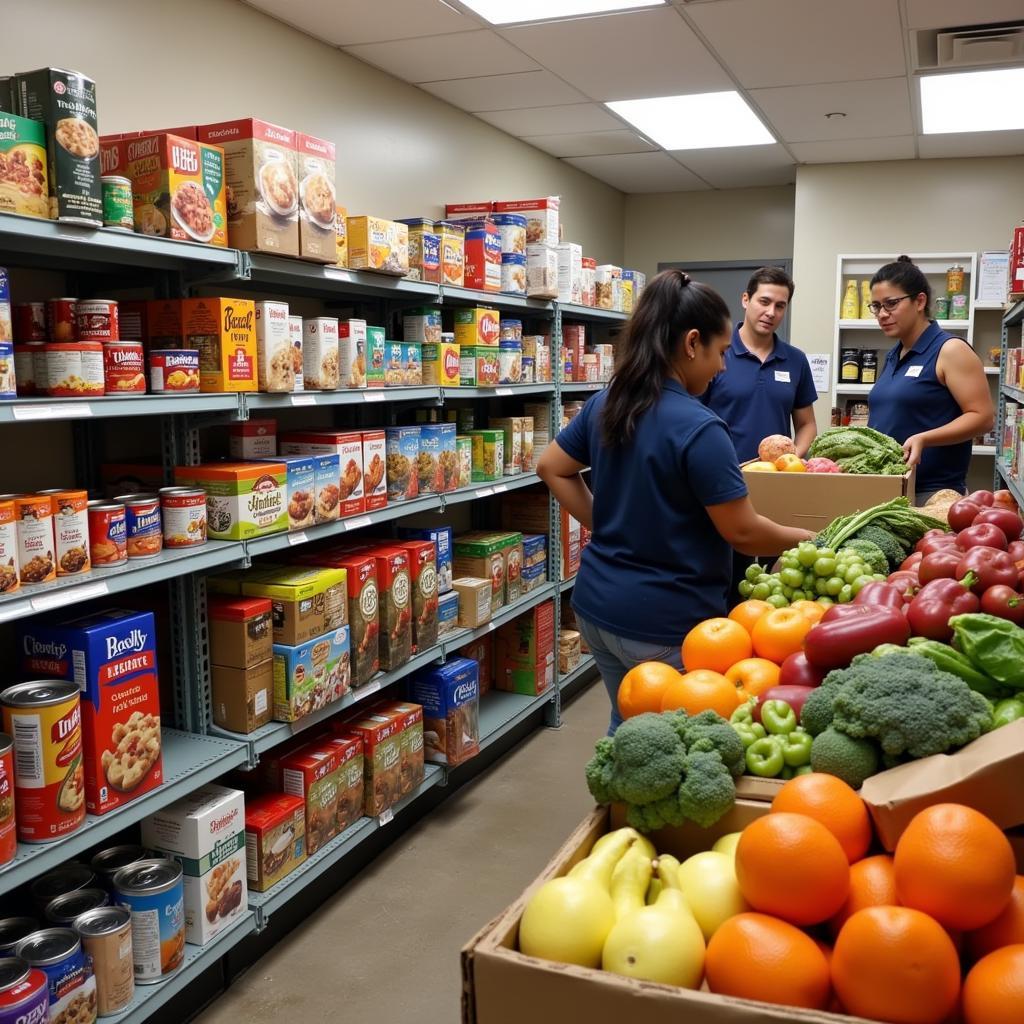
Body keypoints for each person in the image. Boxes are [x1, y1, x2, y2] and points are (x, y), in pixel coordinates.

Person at [536, 270, 815, 734]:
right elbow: (742, 532)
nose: (723, 367)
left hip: (597, 608)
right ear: (691, 343)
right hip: (663, 624)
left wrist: (605, 523)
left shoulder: (607, 402)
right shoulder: (701, 428)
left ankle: (615, 802)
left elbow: (551, 467)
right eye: (720, 352)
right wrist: (806, 538)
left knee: (629, 725)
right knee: (674, 742)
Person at [866, 256, 994, 504]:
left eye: (891, 304)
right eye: (876, 306)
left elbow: (982, 418)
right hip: (890, 487)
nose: (882, 314)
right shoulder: (895, 354)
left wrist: (924, 438)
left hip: (933, 495)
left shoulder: (950, 350)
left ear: (920, 301)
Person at [702, 266, 818, 462]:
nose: (771, 312)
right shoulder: (716, 352)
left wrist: (792, 458)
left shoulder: (796, 360)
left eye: (780, 306)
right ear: (745, 300)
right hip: (721, 475)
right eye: (764, 302)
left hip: (776, 480)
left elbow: (807, 424)